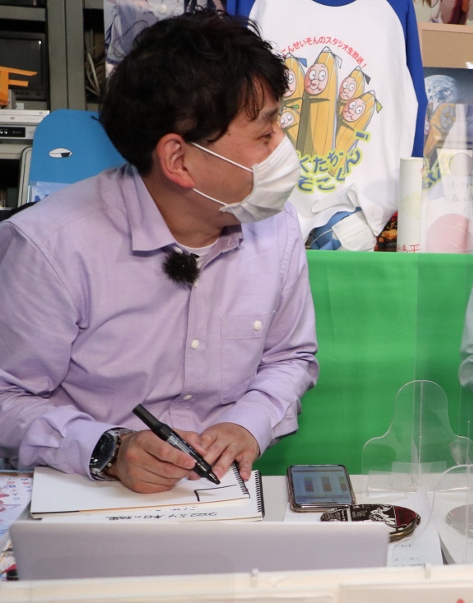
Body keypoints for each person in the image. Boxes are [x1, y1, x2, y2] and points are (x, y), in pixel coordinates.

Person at [0, 10, 318, 493]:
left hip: (220, 497)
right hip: (88, 495)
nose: (282, 147)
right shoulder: (51, 246)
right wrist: (107, 449)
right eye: (264, 134)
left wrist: (248, 423)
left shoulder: (276, 228)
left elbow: (290, 357)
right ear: (178, 160)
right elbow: (6, 395)